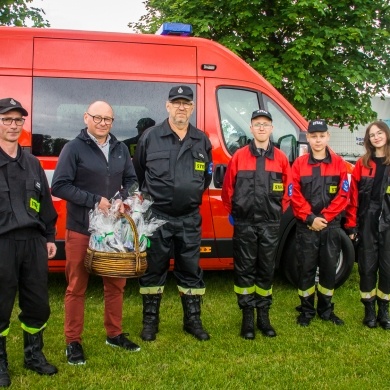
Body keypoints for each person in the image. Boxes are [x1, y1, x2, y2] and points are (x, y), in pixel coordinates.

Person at [51, 100, 139, 366]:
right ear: (86, 118)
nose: (103, 123)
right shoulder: (73, 148)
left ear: (113, 122)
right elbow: (59, 186)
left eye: (108, 119)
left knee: (116, 283)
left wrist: (127, 197)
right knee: (77, 285)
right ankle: (73, 342)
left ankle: (114, 334)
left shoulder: (121, 148)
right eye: (97, 118)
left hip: (113, 230)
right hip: (81, 228)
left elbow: (131, 179)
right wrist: (93, 200)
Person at [133, 85, 213, 341]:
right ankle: (150, 323)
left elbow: (206, 175)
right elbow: (138, 172)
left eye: (186, 103)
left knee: (190, 270)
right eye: (176, 102)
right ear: (167, 106)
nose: (181, 107)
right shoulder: (150, 136)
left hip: (189, 218)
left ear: (192, 108)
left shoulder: (201, 139)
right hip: (157, 218)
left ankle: (192, 321)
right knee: (153, 271)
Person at [0, 98, 58, 387]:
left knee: (38, 304)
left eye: (18, 120)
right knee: (0, 306)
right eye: (7, 120)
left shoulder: (32, 163)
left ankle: (33, 356)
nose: (13, 125)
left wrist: (49, 237)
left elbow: (45, 204)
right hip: (2, 245)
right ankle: (0, 364)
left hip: (33, 243)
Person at [221, 109, 292, 339]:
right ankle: (247, 318)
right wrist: (238, 213)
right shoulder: (239, 156)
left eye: (266, 124)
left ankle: (263, 316)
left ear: (271, 129)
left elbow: (288, 191)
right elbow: (227, 191)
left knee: (266, 271)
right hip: (245, 225)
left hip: (270, 225)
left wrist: (276, 213)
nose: (261, 128)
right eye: (257, 124)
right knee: (244, 271)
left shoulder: (281, 158)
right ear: (251, 128)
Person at [291, 119, 349, 327]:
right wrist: (310, 218)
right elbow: (294, 194)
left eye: (321, 136)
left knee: (327, 268)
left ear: (328, 137)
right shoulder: (299, 164)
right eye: (314, 136)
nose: (318, 140)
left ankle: (325, 309)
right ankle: (306, 310)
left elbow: (344, 194)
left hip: (330, 226)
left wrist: (324, 218)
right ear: (308, 138)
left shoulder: (339, 164)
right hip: (306, 226)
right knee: (306, 268)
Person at [345, 121, 390, 329]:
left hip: (388, 223)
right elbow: (353, 199)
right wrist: (352, 226)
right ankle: (369, 310)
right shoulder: (362, 165)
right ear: (368, 140)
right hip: (367, 223)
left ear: (386, 134)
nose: (376, 137)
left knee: (387, 269)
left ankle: (384, 311)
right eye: (372, 135)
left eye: (379, 133)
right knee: (367, 267)